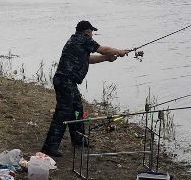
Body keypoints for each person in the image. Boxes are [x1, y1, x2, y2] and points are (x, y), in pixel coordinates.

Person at [41, 20, 130, 157]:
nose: (92, 35)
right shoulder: (82, 39)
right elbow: (103, 49)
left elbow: (89, 59)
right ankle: (49, 147)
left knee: (77, 109)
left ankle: (78, 140)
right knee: (63, 113)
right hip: (65, 81)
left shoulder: (78, 42)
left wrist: (106, 58)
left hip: (68, 82)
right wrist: (120, 51)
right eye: (91, 32)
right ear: (87, 32)